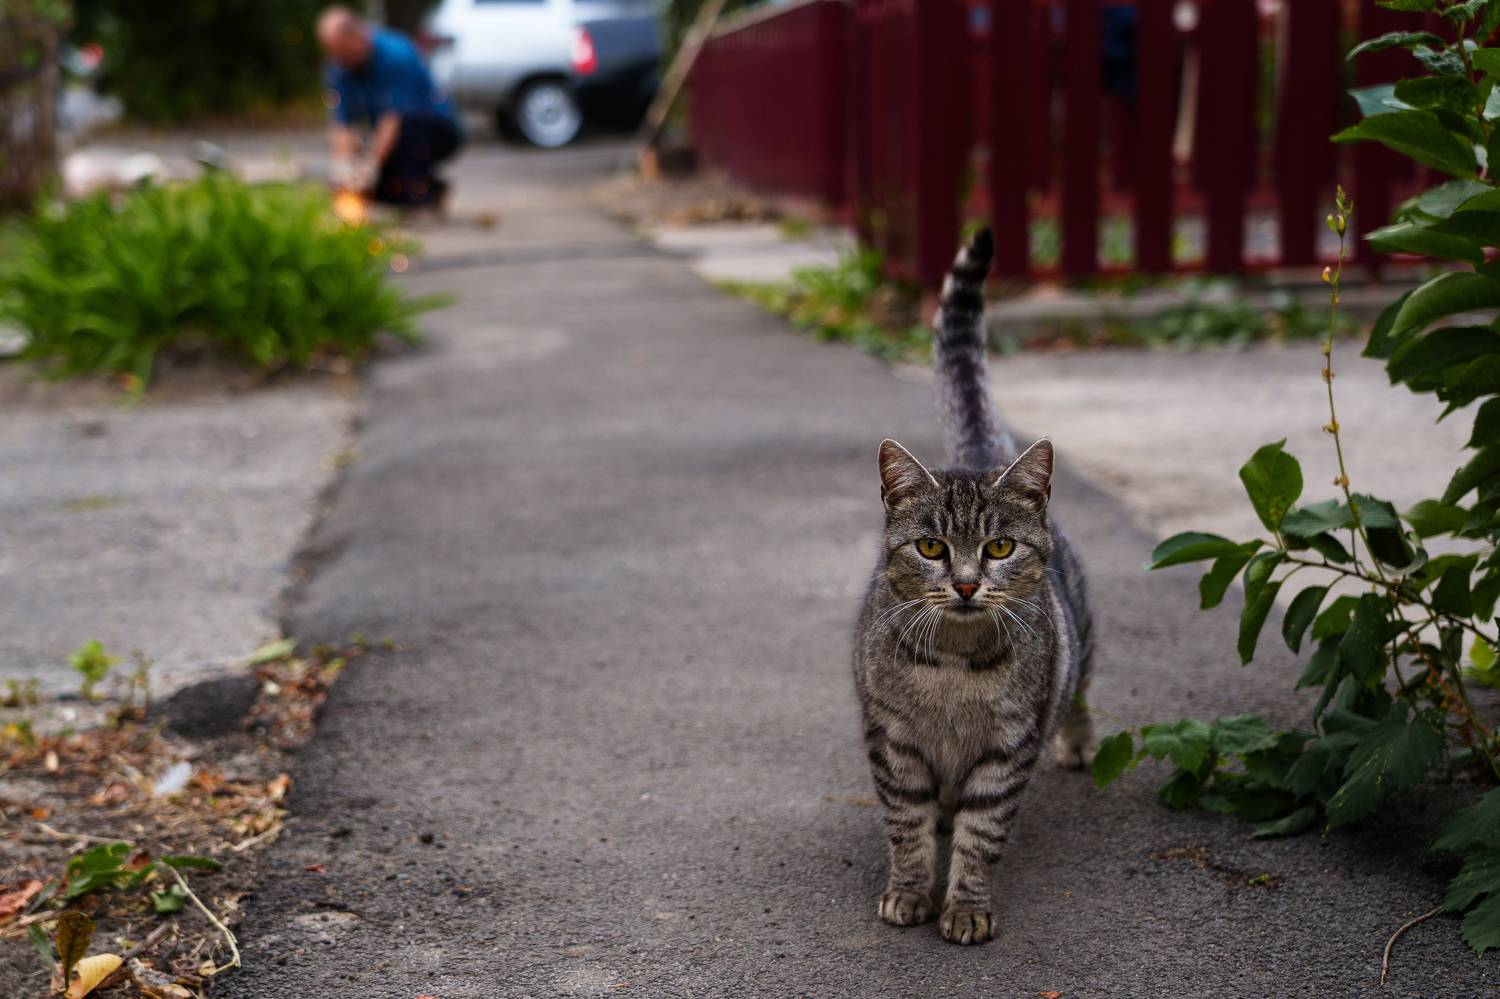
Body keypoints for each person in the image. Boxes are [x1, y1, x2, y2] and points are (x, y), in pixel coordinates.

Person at [317, 6, 463, 209]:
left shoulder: (396, 54)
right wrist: (343, 165)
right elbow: (343, 123)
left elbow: (393, 120)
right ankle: (429, 188)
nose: (341, 61)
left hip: (434, 129)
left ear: (356, 37)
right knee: (375, 191)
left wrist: (371, 165)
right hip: (390, 131)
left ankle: (420, 194)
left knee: (406, 131)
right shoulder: (341, 66)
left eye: (343, 52)